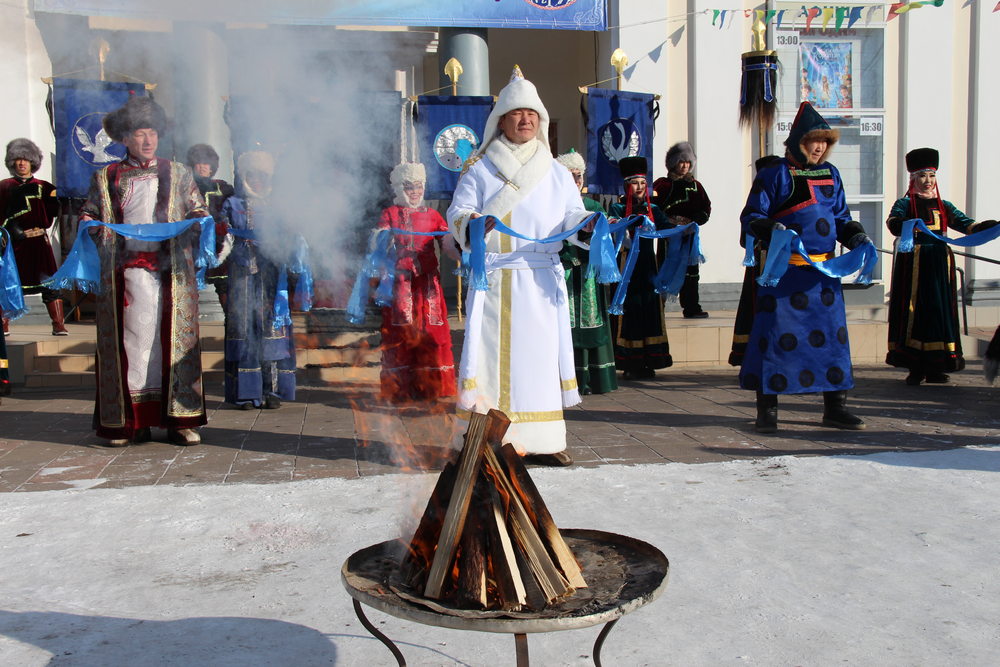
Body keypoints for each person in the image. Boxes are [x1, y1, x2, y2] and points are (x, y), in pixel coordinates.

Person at [447, 66, 590, 466]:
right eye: (517, 114)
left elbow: (572, 215)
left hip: (540, 281)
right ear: (501, 120)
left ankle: (542, 440)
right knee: (489, 362)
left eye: (532, 114)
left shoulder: (557, 173)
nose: (525, 120)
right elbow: (458, 211)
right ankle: (484, 441)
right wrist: (473, 224)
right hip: (494, 279)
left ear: (540, 120)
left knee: (538, 362)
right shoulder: (479, 168)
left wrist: (588, 225)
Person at [79, 96, 209, 447]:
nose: (148, 140)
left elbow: (198, 210)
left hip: (171, 275)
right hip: (126, 274)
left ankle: (179, 420)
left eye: (152, 132)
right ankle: (129, 421)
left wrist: (201, 223)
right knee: (133, 347)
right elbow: (90, 214)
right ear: (125, 138)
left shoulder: (178, 173)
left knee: (172, 346)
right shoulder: (106, 177)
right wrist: (95, 228)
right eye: (140, 133)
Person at [739, 101, 871, 433]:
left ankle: (835, 408)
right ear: (799, 141)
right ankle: (767, 411)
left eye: (825, 141)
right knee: (774, 339)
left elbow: (840, 218)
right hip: (784, 275)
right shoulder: (775, 174)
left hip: (824, 277)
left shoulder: (832, 174)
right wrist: (772, 229)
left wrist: (856, 236)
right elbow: (752, 216)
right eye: (815, 140)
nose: (820, 147)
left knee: (833, 340)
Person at [885, 148, 998, 385]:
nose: (928, 181)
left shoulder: (943, 205)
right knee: (916, 312)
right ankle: (915, 367)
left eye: (932, 176)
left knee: (939, 311)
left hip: (939, 264)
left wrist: (990, 226)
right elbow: (893, 223)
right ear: (913, 178)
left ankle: (936, 366)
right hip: (914, 265)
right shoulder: (905, 203)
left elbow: (967, 225)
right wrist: (907, 223)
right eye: (922, 176)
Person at [221, 150, 308, 410]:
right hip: (243, 275)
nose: (257, 181)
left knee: (272, 333)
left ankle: (272, 391)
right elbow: (223, 235)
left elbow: (291, 236)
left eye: (262, 176)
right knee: (244, 331)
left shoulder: (278, 205)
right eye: (252, 175)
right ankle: (246, 394)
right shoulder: (232, 204)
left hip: (272, 276)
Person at [376, 162, 459, 402]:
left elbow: (447, 243)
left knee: (431, 332)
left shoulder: (433, 215)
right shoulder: (390, 214)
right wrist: (382, 241)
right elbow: (378, 245)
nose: (415, 191)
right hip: (401, 284)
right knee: (402, 332)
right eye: (409, 187)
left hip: (428, 285)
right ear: (400, 189)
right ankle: (400, 388)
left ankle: (431, 386)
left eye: (418, 186)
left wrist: (462, 245)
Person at [555, 149, 617, 395]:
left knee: (592, 325)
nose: (576, 180)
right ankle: (567, 380)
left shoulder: (592, 206)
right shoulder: (553, 206)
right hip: (563, 275)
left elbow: (602, 241)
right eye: (570, 175)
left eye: (578, 176)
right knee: (565, 328)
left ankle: (592, 378)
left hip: (587, 276)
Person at [608, 156, 672, 380]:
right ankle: (630, 362)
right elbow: (611, 231)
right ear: (627, 185)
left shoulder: (653, 208)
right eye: (635, 183)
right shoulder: (617, 208)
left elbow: (667, 228)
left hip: (648, 267)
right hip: (627, 268)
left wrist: (685, 230)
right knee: (630, 313)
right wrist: (624, 226)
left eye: (643, 183)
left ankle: (650, 360)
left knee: (649, 310)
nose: (639, 187)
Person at [0, 138, 67, 336]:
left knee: (50, 284)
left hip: (39, 243)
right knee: (8, 283)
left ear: (33, 162)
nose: (22, 163)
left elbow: (56, 210)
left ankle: (58, 324)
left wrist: (62, 196)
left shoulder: (45, 187)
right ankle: (3, 324)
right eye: (18, 159)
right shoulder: (4, 187)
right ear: (12, 162)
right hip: (14, 245)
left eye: (26, 159)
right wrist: (13, 231)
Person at [729, 155, 781, 367]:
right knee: (755, 309)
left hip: (780, 266)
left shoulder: (784, 204)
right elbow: (745, 239)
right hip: (760, 266)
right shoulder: (755, 207)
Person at [652, 141, 712, 318]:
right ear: (673, 163)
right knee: (665, 269)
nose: (685, 166)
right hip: (669, 237)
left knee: (691, 272)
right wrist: (669, 224)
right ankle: (658, 309)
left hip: (689, 235)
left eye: (687, 162)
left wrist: (696, 220)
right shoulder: (662, 185)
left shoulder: (696, 186)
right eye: (681, 161)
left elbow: (706, 207)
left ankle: (692, 307)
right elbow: (653, 208)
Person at [186, 143, 234, 309]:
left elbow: (232, 212)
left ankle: (231, 321)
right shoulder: (184, 187)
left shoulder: (223, 188)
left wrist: (222, 227)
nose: (202, 167)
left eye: (206, 163)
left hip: (219, 245)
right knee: (189, 288)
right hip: (192, 244)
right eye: (198, 163)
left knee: (225, 287)